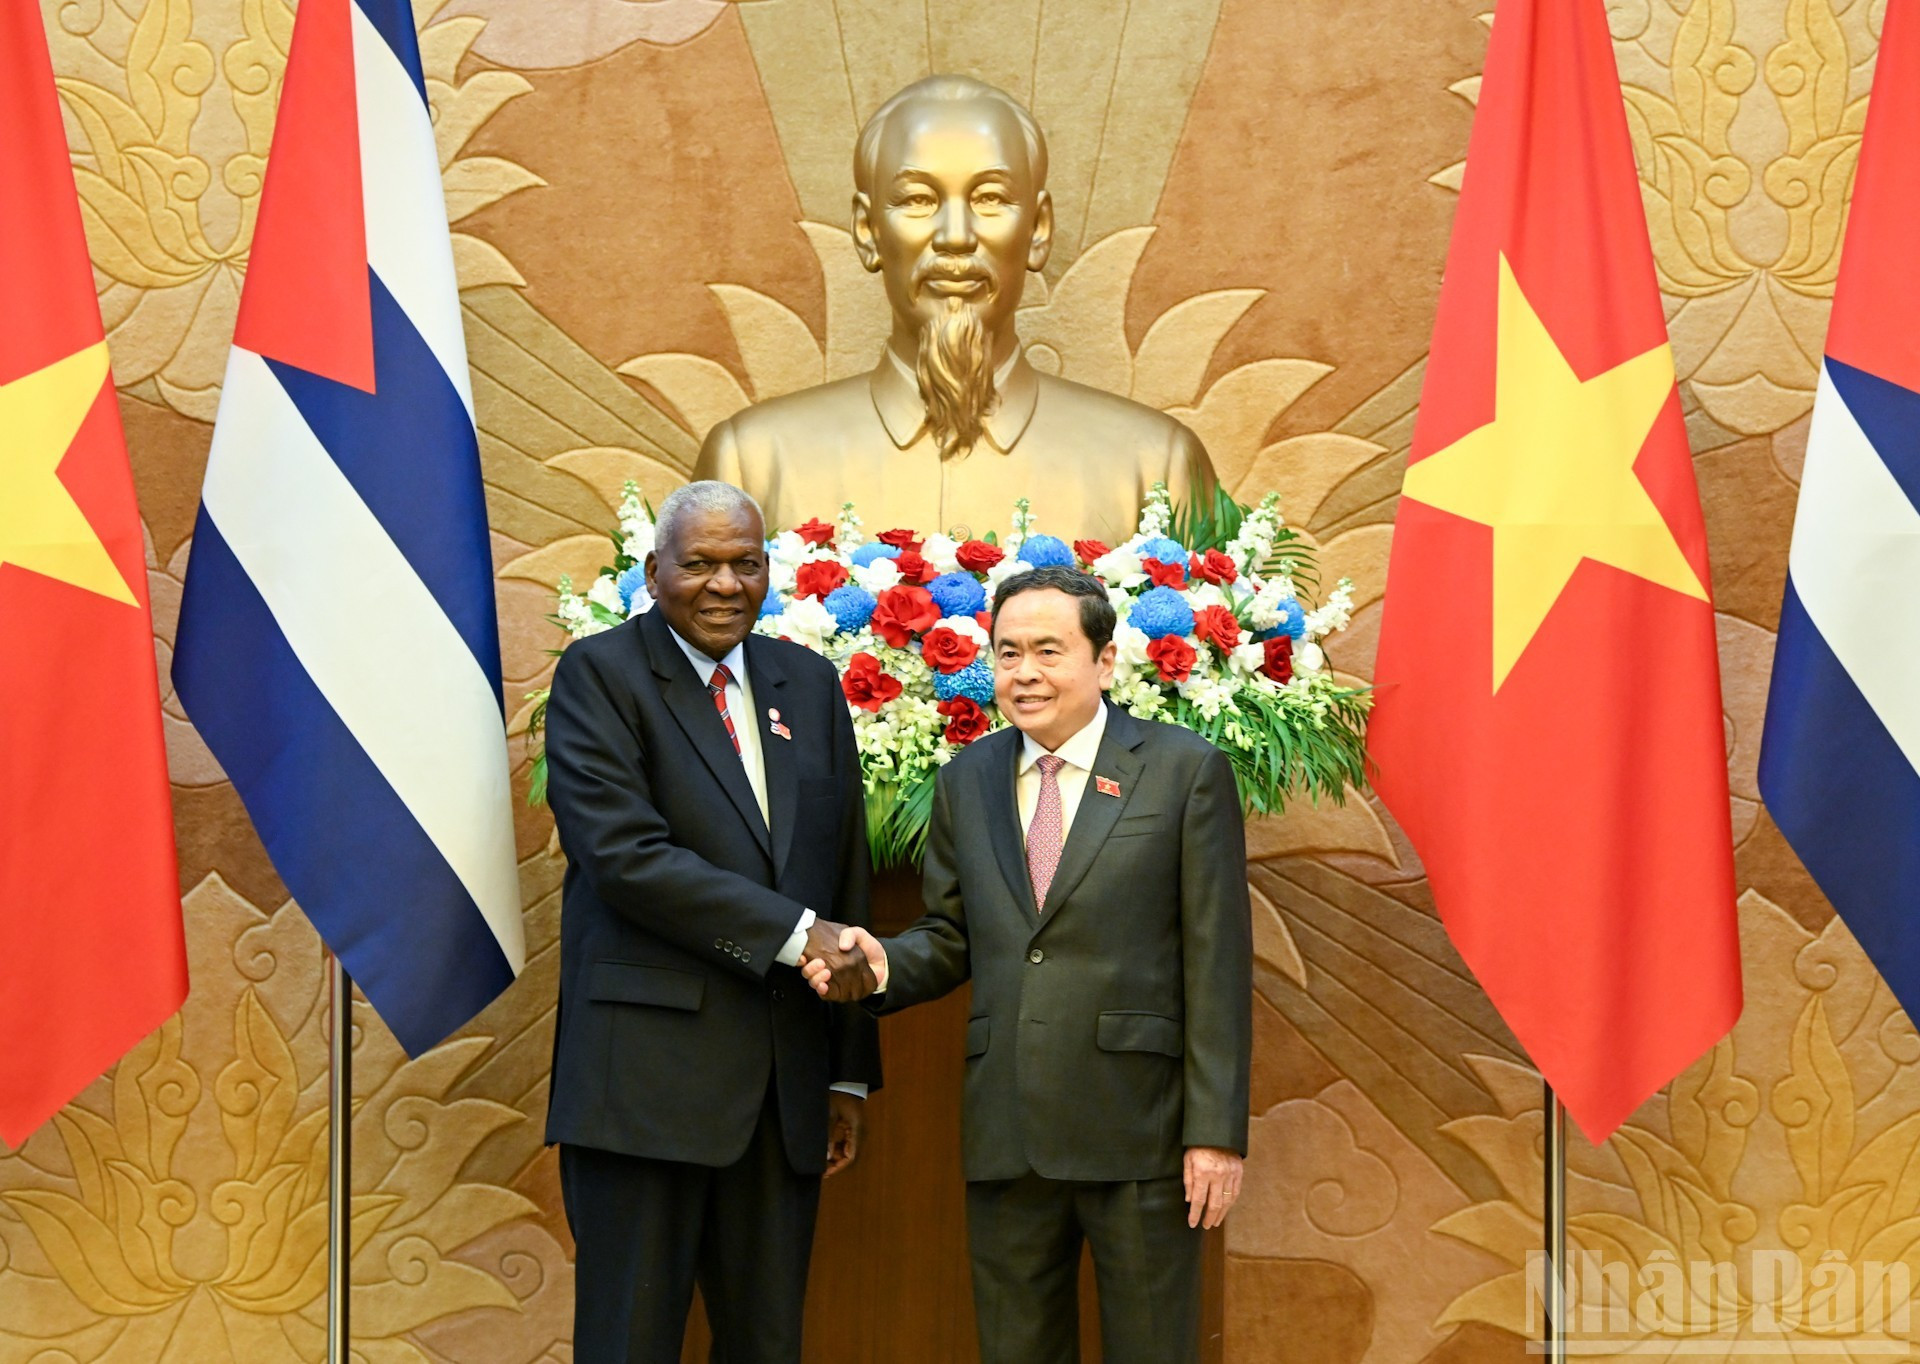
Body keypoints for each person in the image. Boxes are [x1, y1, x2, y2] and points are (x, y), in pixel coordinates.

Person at [806, 565, 1252, 1364]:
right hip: (1008, 1129)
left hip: (1141, 1132)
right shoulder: (967, 781)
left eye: (1049, 650)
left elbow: (1216, 962)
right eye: (1007, 653)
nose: (1025, 673)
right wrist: (878, 967)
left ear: (1105, 661)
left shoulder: (1184, 772)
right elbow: (950, 937)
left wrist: (1214, 1135)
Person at [543, 480, 881, 1363]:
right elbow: (626, 857)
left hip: (782, 1094)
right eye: (699, 564)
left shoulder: (805, 684)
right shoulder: (599, 676)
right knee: (631, 1343)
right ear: (654, 572)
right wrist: (794, 933)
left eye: (746, 564)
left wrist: (845, 1073)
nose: (725, 584)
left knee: (768, 1345)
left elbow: (842, 866)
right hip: (643, 1090)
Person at [694, 74, 1215, 543]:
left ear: (1038, 230)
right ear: (868, 230)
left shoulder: (1156, 468)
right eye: (918, 200)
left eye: (990, 198)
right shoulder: (753, 464)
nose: (956, 237)